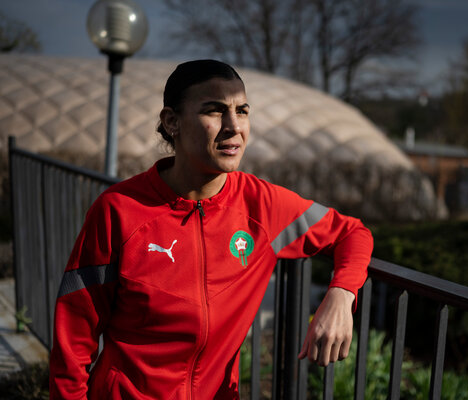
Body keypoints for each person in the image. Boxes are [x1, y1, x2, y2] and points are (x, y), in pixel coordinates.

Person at [49, 60, 373, 399]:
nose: (234, 126)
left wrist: (340, 295)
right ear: (171, 121)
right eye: (215, 111)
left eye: (242, 111)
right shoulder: (118, 209)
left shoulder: (263, 206)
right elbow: (73, 337)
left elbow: (352, 233)